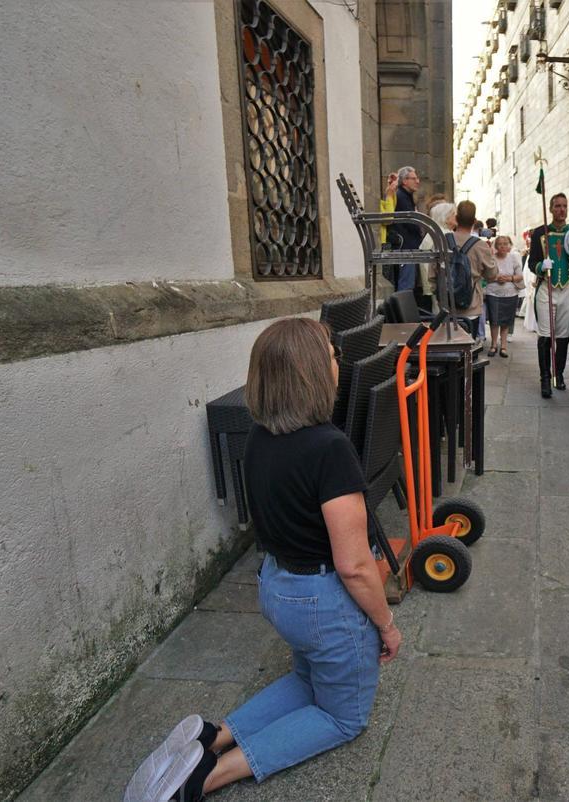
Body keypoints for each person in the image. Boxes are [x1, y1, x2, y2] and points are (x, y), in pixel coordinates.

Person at [125, 319, 401, 801]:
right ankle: (202, 778)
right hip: (324, 601)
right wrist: (386, 624)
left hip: (278, 588)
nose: (338, 363)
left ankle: (210, 737)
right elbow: (354, 565)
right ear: (313, 374)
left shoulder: (259, 436)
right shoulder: (330, 448)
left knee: (307, 676)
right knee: (342, 716)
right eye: (332, 356)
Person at [528, 193, 569, 397]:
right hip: (547, 288)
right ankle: (545, 377)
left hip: (568, 287)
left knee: (563, 336)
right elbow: (531, 263)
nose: (561, 210)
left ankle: (558, 374)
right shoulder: (539, 233)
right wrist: (541, 266)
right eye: (557, 206)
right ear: (551, 209)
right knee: (545, 335)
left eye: (564, 206)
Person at [430, 200, 498, 334]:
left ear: (456, 218)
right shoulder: (480, 245)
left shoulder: (441, 241)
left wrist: (439, 295)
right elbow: (492, 275)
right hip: (470, 306)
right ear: (474, 221)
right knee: (468, 348)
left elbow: (432, 275)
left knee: (447, 347)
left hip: (445, 306)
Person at [391, 166, 430, 312]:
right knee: (405, 286)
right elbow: (408, 221)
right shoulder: (401, 196)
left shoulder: (405, 196)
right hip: (406, 247)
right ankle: (402, 317)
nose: (418, 181)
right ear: (405, 181)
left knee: (408, 285)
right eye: (414, 178)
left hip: (410, 246)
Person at [485, 235, 524, 357]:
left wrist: (509, 278)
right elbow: (485, 274)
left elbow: (520, 276)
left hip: (510, 293)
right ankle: (493, 345)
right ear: (496, 246)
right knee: (494, 320)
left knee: (506, 321)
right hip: (493, 292)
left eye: (505, 243)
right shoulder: (491, 258)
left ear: (509, 245)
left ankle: (503, 346)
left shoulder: (513, 258)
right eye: (500, 244)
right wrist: (496, 278)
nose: (503, 246)